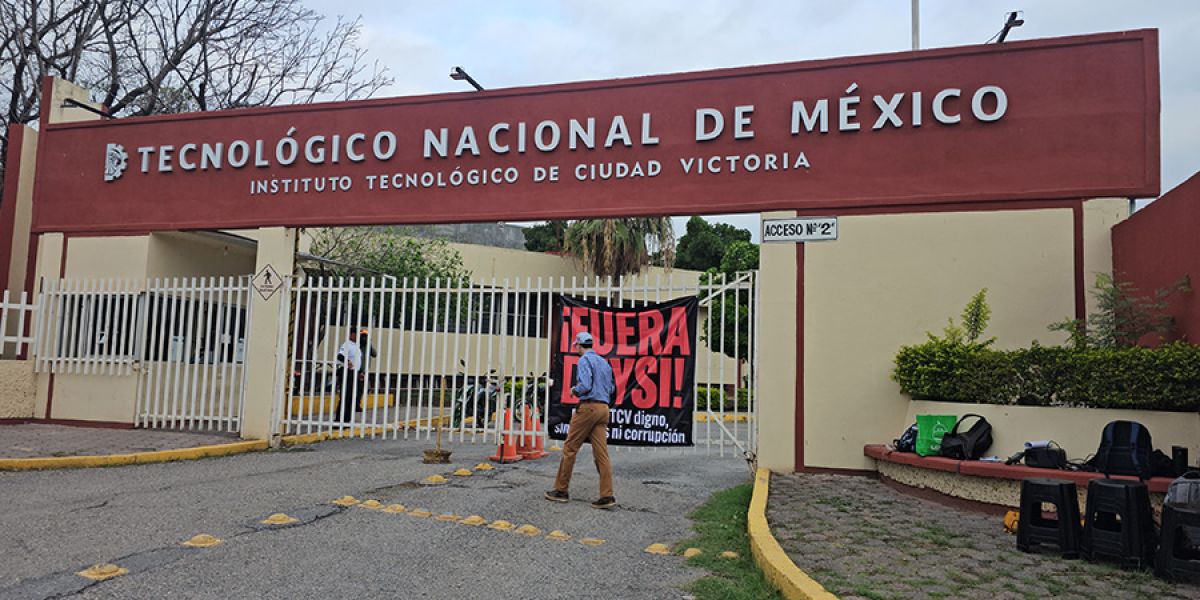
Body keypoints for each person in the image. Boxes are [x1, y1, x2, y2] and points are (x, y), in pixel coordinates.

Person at [545, 331, 617, 509]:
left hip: (588, 407)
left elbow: (585, 385)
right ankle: (607, 495)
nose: (575, 349)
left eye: (576, 346)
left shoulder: (584, 360)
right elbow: (612, 387)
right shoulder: (604, 362)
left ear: (578, 345)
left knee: (570, 447)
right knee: (601, 453)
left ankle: (561, 490)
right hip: (603, 409)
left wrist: (574, 390)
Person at [336, 330, 364, 423]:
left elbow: (357, 360)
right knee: (345, 396)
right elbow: (340, 356)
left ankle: (347, 419)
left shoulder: (356, 346)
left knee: (351, 397)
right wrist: (347, 361)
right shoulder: (347, 344)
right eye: (357, 334)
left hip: (355, 374)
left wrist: (360, 372)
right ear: (352, 334)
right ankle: (339, 419)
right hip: (347, 373)